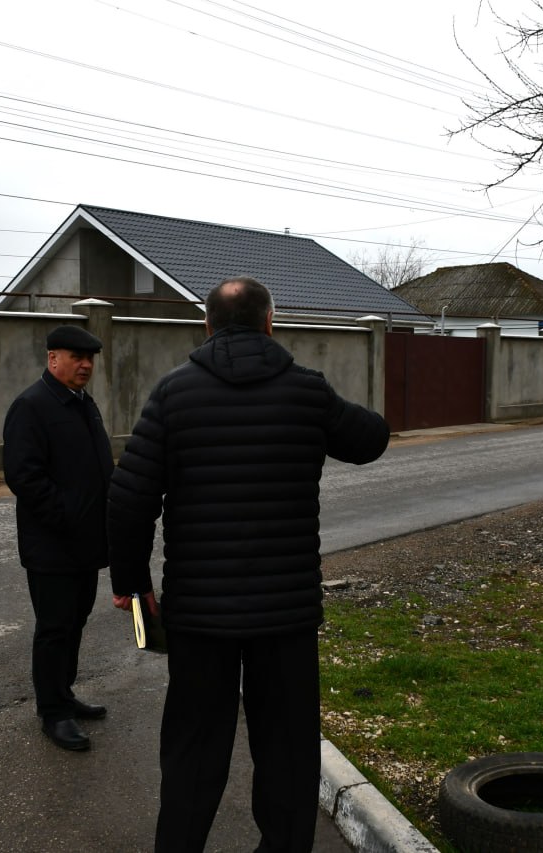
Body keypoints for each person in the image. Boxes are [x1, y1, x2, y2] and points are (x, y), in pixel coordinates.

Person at [108, 276, 390, 852]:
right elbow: (371, 440)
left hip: (198, 617)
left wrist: (133, 586)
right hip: (285, 617)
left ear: (206, 326)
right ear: (270, 323)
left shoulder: (173, 393)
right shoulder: (306, 391)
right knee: (287, 751)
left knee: (192, 749)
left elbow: (128, 501)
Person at [3, 325, 114, 751]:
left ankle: (64, 694)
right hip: (52, 545)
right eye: (76, 357)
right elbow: (23, 476)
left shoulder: (83, 403)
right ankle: (53, 712)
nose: (85, 365)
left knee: (76, 621)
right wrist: (66, 516)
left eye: (90, 359)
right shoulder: (32, 406)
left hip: (86, 542)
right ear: (53, 359)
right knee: (54, 627)